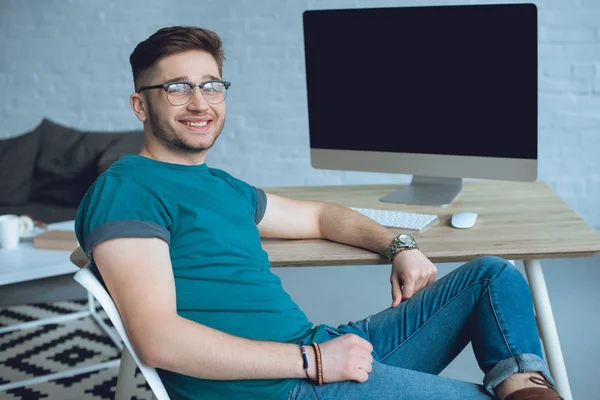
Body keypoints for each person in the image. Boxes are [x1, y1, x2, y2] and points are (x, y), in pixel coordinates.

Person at [74, 26, 562, 400]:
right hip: (282, 385)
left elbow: (320, 217)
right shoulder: (127, 190)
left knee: (492, 276)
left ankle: (521, 382)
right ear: (141, 105)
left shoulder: (220, 185)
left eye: (211, 85)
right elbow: (159, 340)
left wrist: (400, 246)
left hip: (318, 350)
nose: (200, 102)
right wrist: (311, 362)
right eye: (177, 88)